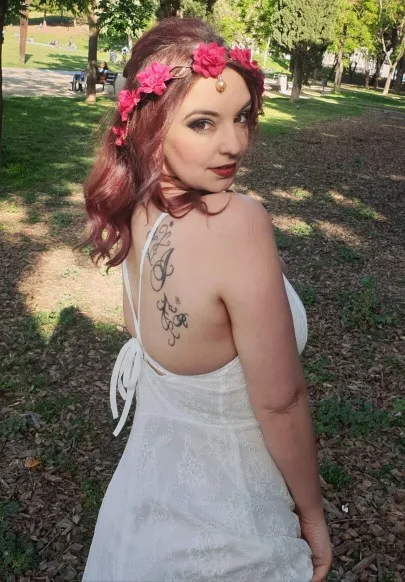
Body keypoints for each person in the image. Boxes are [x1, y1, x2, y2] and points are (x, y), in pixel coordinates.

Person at [82, 17, 332, 582]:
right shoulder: (237, 222)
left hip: (139, 520)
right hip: (229, 533)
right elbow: (281, 401)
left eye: (241, 116)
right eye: (203, 122)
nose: (235, 143)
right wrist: (313, 516)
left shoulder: (134, 208)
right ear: (146, 124)